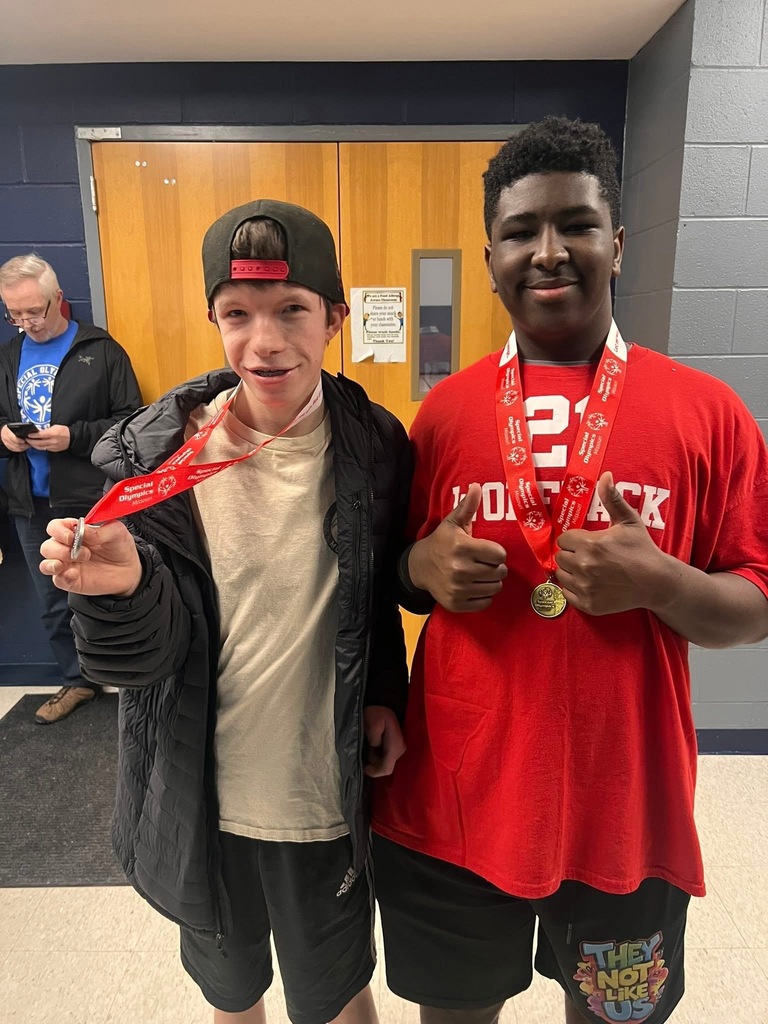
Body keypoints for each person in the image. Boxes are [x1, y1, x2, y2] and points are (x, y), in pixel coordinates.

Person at [370, 117, 768, 1024]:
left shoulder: (708, 413)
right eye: (520, 231)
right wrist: (418, 564)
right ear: (489, 256)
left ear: (616, 243)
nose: (548, 252)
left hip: (625, 805)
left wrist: (662, 582)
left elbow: (754, 604)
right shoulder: (443, 415)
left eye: (576, 224)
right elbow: (384, 578)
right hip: (458, 799)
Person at [39, 200, 410, 1024]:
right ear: (213, 318)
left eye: (292, 312)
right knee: (232, 995)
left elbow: (373, 590)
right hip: (200, 793)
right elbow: (133, 662)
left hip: (323, 791)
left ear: (336, 319)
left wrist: (385, 688)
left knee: (340, 995)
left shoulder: (375, 444)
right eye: (237, 315)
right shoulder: (157, 460)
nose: (265, 341)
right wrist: (122, 593)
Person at [0, 254, 142, 723]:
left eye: (34, 312)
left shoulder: (101, 351)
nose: (25, 323)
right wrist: (3, 435)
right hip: (28, 498)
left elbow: (130, 423)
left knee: (109, 588)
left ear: (58, 299)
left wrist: (73, 437)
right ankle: (76, 682)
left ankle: (135, 677)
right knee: (52, 597)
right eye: (14, 314)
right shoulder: (8, 355)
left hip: (88, 496)